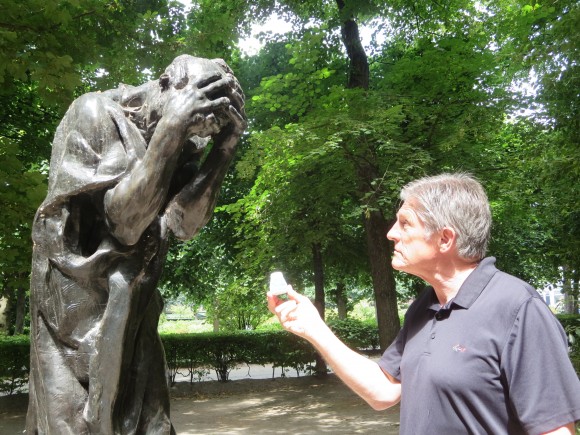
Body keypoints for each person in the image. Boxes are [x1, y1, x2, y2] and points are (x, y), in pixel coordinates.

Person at [27, 55, 246, 434]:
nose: (199, 136)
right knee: (75, 426)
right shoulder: (95, 112)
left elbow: (183, 223)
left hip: (131, 301)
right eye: (196, 117)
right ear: (165, 88)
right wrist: (173, 129)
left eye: (208, 128)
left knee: (152, 424)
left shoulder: (182, 138)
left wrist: (223, 151)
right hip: (73, 312)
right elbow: (124, 223)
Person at [268, 173, 580, 434]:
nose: (391, 233)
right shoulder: (425, 307)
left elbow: (555, 430)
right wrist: (313, 327)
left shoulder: (517, 308)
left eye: (405, 224)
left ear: (445, 239)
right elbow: (383, 391)